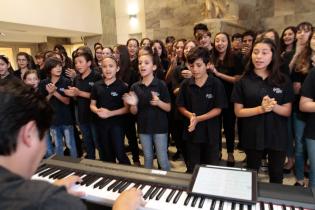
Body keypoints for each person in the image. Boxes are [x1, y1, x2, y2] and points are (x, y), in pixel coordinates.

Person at [0, 79, 145, 210]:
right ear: (29, 134)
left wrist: (50, 189)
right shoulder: (54, 202)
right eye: (44, 135)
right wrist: (123, 207)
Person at [231, 38, 294, 184]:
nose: (259, 57)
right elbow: (238, 112)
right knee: (251, 174)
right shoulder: (243, 81)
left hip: (277, 136)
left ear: (273, 56)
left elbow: (287, 111)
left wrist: (272, 106)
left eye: (264, 53)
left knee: (276, 175)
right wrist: (261, 109)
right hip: (252, 135)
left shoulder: (283, 80)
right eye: (256, 52)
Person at [177, 46, 227, 173]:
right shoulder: (185, 85)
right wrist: (190, 116)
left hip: (211, 134)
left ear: (208, 64)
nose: (195, 69)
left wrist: (198, 118)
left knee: (211, 169)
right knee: (193, 168)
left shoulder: (216, 84)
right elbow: (180, 106)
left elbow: (218, 109)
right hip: (191, 134)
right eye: (192, 65)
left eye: (199, 65)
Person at [123, 47, 171, 171]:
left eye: (146, 63)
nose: (142, 66)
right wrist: (133, 104)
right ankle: (148, 184)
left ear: (154, 67)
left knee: (162, 160)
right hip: (143, 128)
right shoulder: (135, 86)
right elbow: (133, 112)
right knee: (148, 158)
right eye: (140, 63)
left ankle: (169, 186)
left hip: (160, 128)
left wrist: (159, 102)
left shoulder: (161, 84)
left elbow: (168, 108)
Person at [90, 55, 131, 165]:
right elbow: (92, 105)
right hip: (101, 124)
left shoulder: (122, 86)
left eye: (111, 66)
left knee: (119, 152)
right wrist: (97, 111)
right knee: (106, 154)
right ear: (101, 69)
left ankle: (130, 175)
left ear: (117, 68)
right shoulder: (97, 86)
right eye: (104, 66)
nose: (107, 69)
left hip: (117, 125)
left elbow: (127, 109)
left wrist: (110, 113)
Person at [64, 52, 102, 160]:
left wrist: (79, 93)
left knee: (98, 141)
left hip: (94, 116)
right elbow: (76, 96)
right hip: (82, 115)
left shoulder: (96, 76)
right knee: (87, 140)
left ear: (89, 63)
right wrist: (71, 94)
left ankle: (105, 162)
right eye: (76, 63)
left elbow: (99, 96)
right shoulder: (77, 78)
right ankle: (91, 160)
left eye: (81, 62)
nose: (78, 65)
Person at [39, 57, 78, 158]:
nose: (58, 68)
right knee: (58, 146)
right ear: (49, 69)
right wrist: (50, 94)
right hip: (52, 120)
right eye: (55, 67)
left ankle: (76, 167)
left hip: (66, 119)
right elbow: (43, 102)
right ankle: (61, 167)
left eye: (60, 66)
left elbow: (67, 101)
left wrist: (54, 92)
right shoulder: (43, 83)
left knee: (71, 145)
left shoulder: (66, 81)